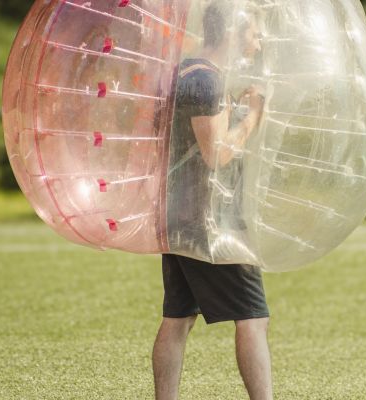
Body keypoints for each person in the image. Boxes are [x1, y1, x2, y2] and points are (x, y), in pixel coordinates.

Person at [153, 3, 272, 400]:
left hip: (181, 213)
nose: (258, 42)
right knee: (253, 317)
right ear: (232, 33)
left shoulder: (189, 73)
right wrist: (252, 116)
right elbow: (216, 154)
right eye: (253, 33)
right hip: (209, 222)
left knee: (178, 318)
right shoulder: (204, 81)